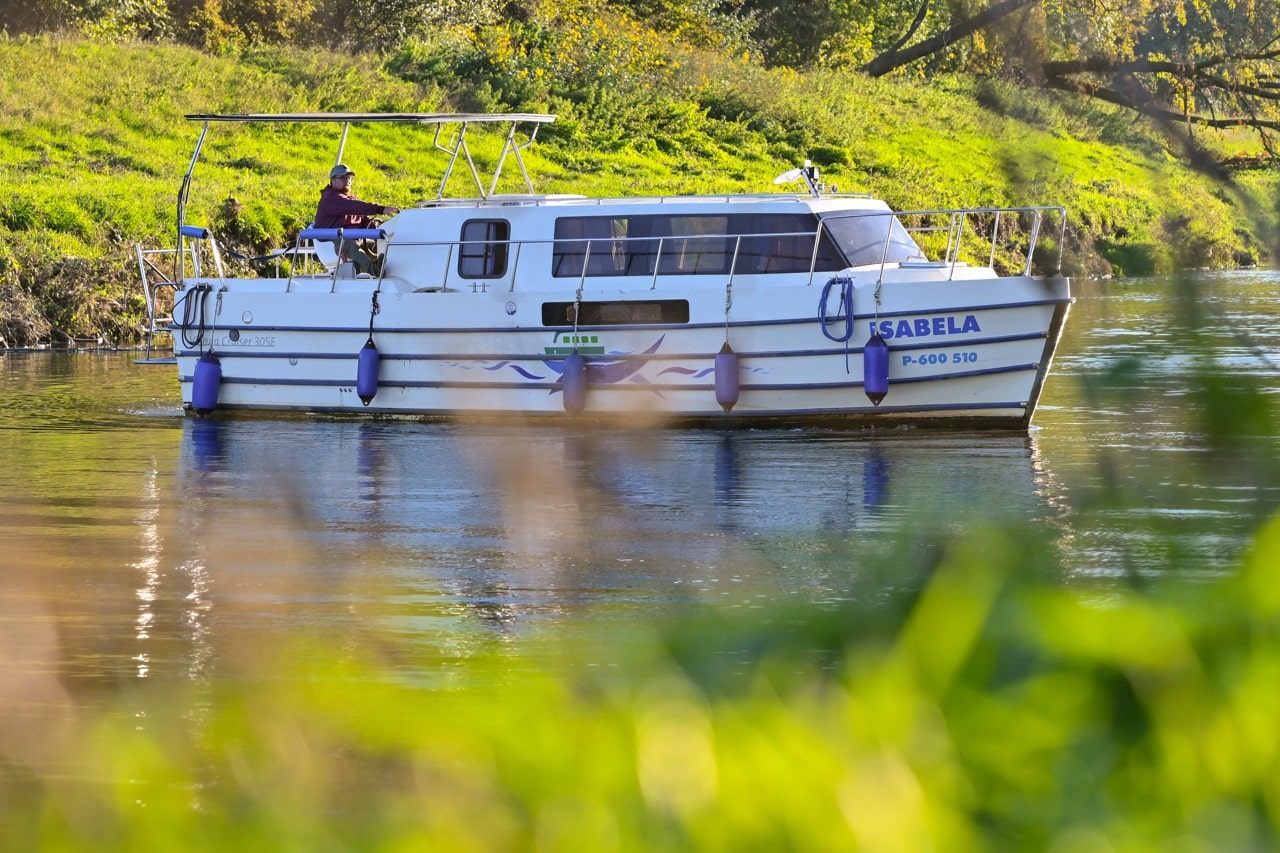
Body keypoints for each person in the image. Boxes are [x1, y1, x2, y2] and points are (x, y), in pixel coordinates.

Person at [314, 164, 400, 275]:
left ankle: (394, 270)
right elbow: (353, 207)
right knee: (348, 244)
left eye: (349, 178)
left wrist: (381, 229)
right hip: (332, 238)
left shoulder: (349, 198)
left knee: (376, 244)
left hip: (352, 236)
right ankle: (374, 269)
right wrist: (380, 209)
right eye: (343, 178)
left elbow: (363, 218)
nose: (348, 181)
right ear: (333, 180)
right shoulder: (330, 198)